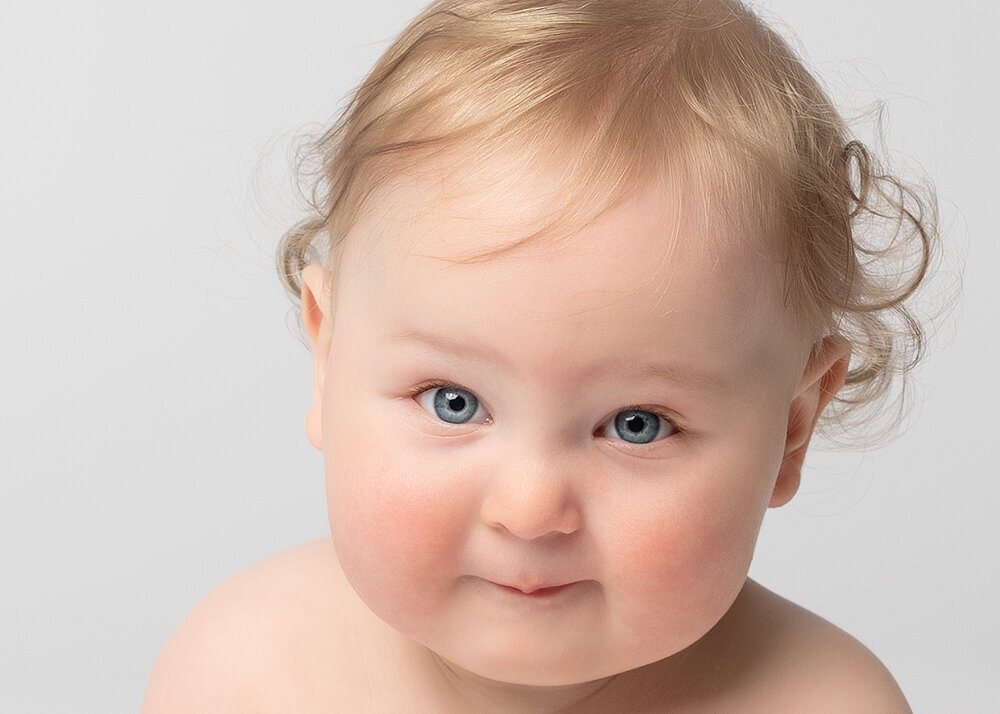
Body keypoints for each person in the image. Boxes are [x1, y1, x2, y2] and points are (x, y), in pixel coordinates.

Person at [142, 0, 937, 710]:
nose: (528, 510)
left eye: (636, 424)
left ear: (792, 428)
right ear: (328, 356)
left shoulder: (825, 701)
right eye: (453, 400)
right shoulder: (242, 675)